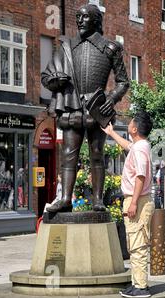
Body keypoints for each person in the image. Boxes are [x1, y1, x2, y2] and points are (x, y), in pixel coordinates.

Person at [41, 4, 130, 213]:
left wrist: (112, 99)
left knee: (97, 154)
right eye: (77, 17)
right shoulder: (67, 46)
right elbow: (47, 77)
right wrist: (56, 79)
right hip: (72, 104)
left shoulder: (110, 47)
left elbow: (123, 82)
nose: (79, 21)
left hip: (97, 107)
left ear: (96, 20)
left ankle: (98, 200)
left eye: (85, 17)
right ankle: (65, 199)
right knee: (68, 155)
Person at [103, 110, 155, 298]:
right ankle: (137, 283)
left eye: (131, 122)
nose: (129, 124)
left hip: (138, 201)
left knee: (138, 244)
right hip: (138, 199)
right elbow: (127, 146)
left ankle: (141, 287)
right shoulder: (139, 146)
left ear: (134, 128)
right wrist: (112, 133)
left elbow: (140, 176)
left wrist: (133, 202)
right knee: (134, 243)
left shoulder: (140, 148)